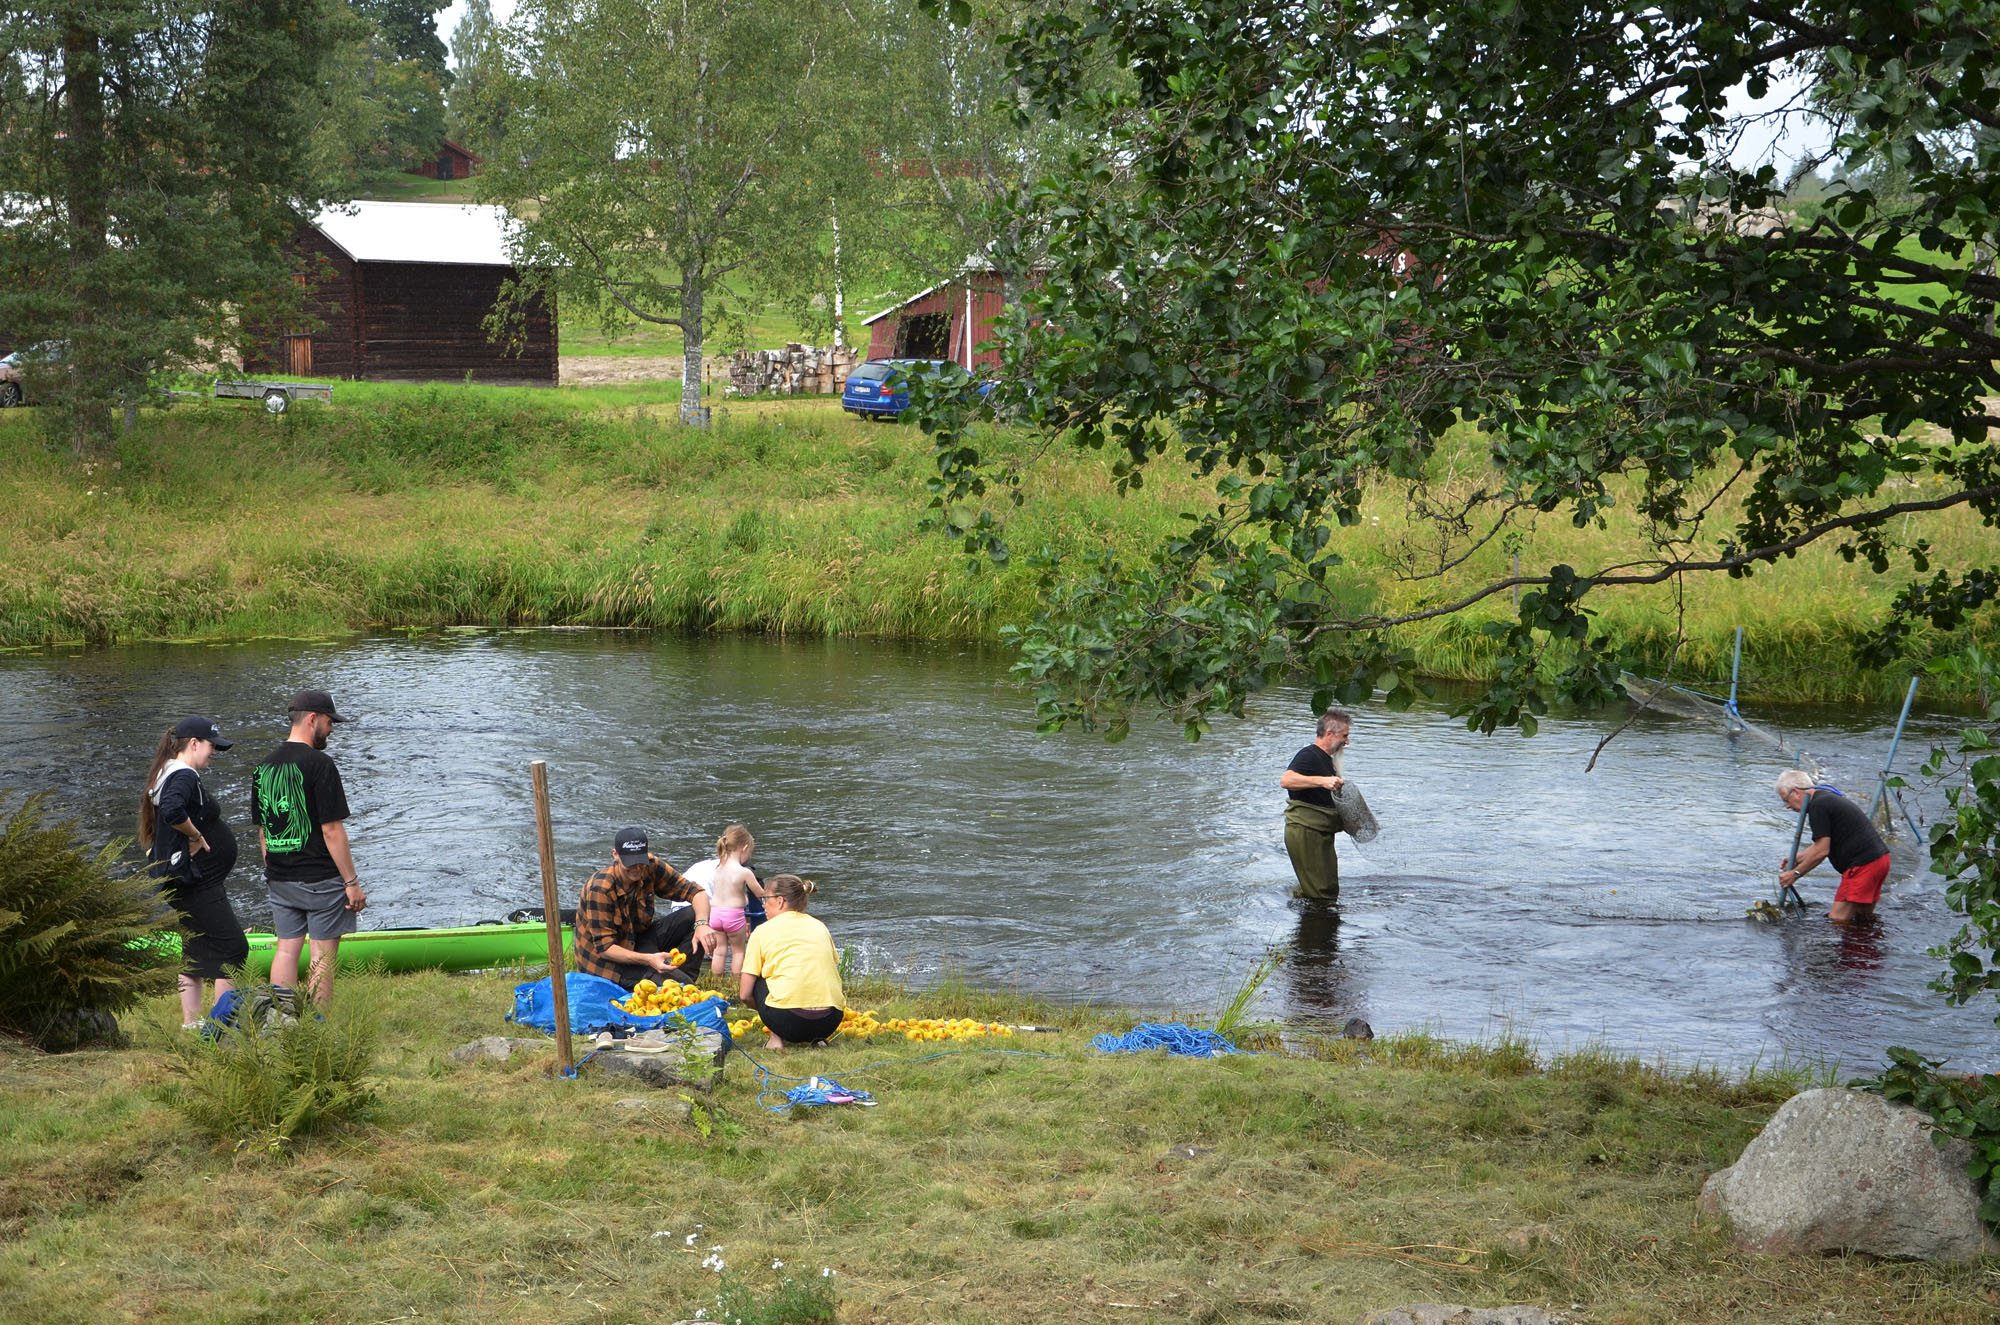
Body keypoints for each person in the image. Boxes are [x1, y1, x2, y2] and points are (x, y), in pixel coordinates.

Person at [252, 689, 365, 1009]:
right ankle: (316, 1026)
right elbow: (332, 830)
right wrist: (351, 883)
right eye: (330, 722)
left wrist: (274, 870)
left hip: (279, 878)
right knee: (321, 954)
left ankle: (281, 1019)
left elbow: (264, 830)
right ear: (312, 719)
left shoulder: (264, 767)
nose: (332, 729)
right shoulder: (320, 765)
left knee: (286, 949)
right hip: (321, 879)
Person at [139, 716, 251, 1029]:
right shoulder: (183, 774)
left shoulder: (167, 772)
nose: (214, 752)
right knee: (233, 948)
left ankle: (193, 1024)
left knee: (198, 947)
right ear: (194, 743)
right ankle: (221, 1025)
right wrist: (196, 835)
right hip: (195, 882)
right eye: (212, 745)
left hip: (188, 880)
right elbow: (174, 811)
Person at [573, 827, 720, 990]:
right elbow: (606, 949)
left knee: (694, 914)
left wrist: (701, 924)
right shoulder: (600, 889)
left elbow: (696, 893)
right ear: (615, 855)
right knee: (679, 986)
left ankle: (683, 979)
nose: (637, 868)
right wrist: (648, 959)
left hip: (638, 940)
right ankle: (678, 984)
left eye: (640, 861)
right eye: (630, 863)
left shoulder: (651, 866)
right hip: (608, 965)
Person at [738, 874, 844, 1050]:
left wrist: (770, 1015)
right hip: (830, 1021)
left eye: (765, 899)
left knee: (756, 977)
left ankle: (776, 1038)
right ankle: (817, 1039)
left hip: (787, 1021)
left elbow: (744, 994)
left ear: (780, 901)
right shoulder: (820, 926)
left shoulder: (762, 931)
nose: (763, 904)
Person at [1777, 769, 1891, 924]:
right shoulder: (1825, 797)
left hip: (1863, 865)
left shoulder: (1818, 806)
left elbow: (1822, 851)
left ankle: (1845, 948)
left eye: (1786, 800)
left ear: (1796, 792)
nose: (1787, 806)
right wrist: (1796, 858)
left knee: (1838, 920)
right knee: (1862, 919)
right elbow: (1821, 845)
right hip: (1880, 859)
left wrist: (1795, 874)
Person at [1279, 709, 1351, 902]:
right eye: (1345, 736)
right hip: (1305, 831)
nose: (1347, 742)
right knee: (1320, 893)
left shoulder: (1327, 760)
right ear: (1329, 734)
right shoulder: (1308, 755)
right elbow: (1286, 780)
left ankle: (1306, 919)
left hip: (1318, 833)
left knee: (1325, 888)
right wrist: (1322, 781)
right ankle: (1315, 929)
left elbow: (1323, 799)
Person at [706, 824, 768, 981]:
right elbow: (760, 894)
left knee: (719, 951)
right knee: (738, 951)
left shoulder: (718, 868)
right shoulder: (744, 872)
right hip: (733, 915)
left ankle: (717, 983)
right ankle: (735, 983)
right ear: (744, 848)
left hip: (715, 915)